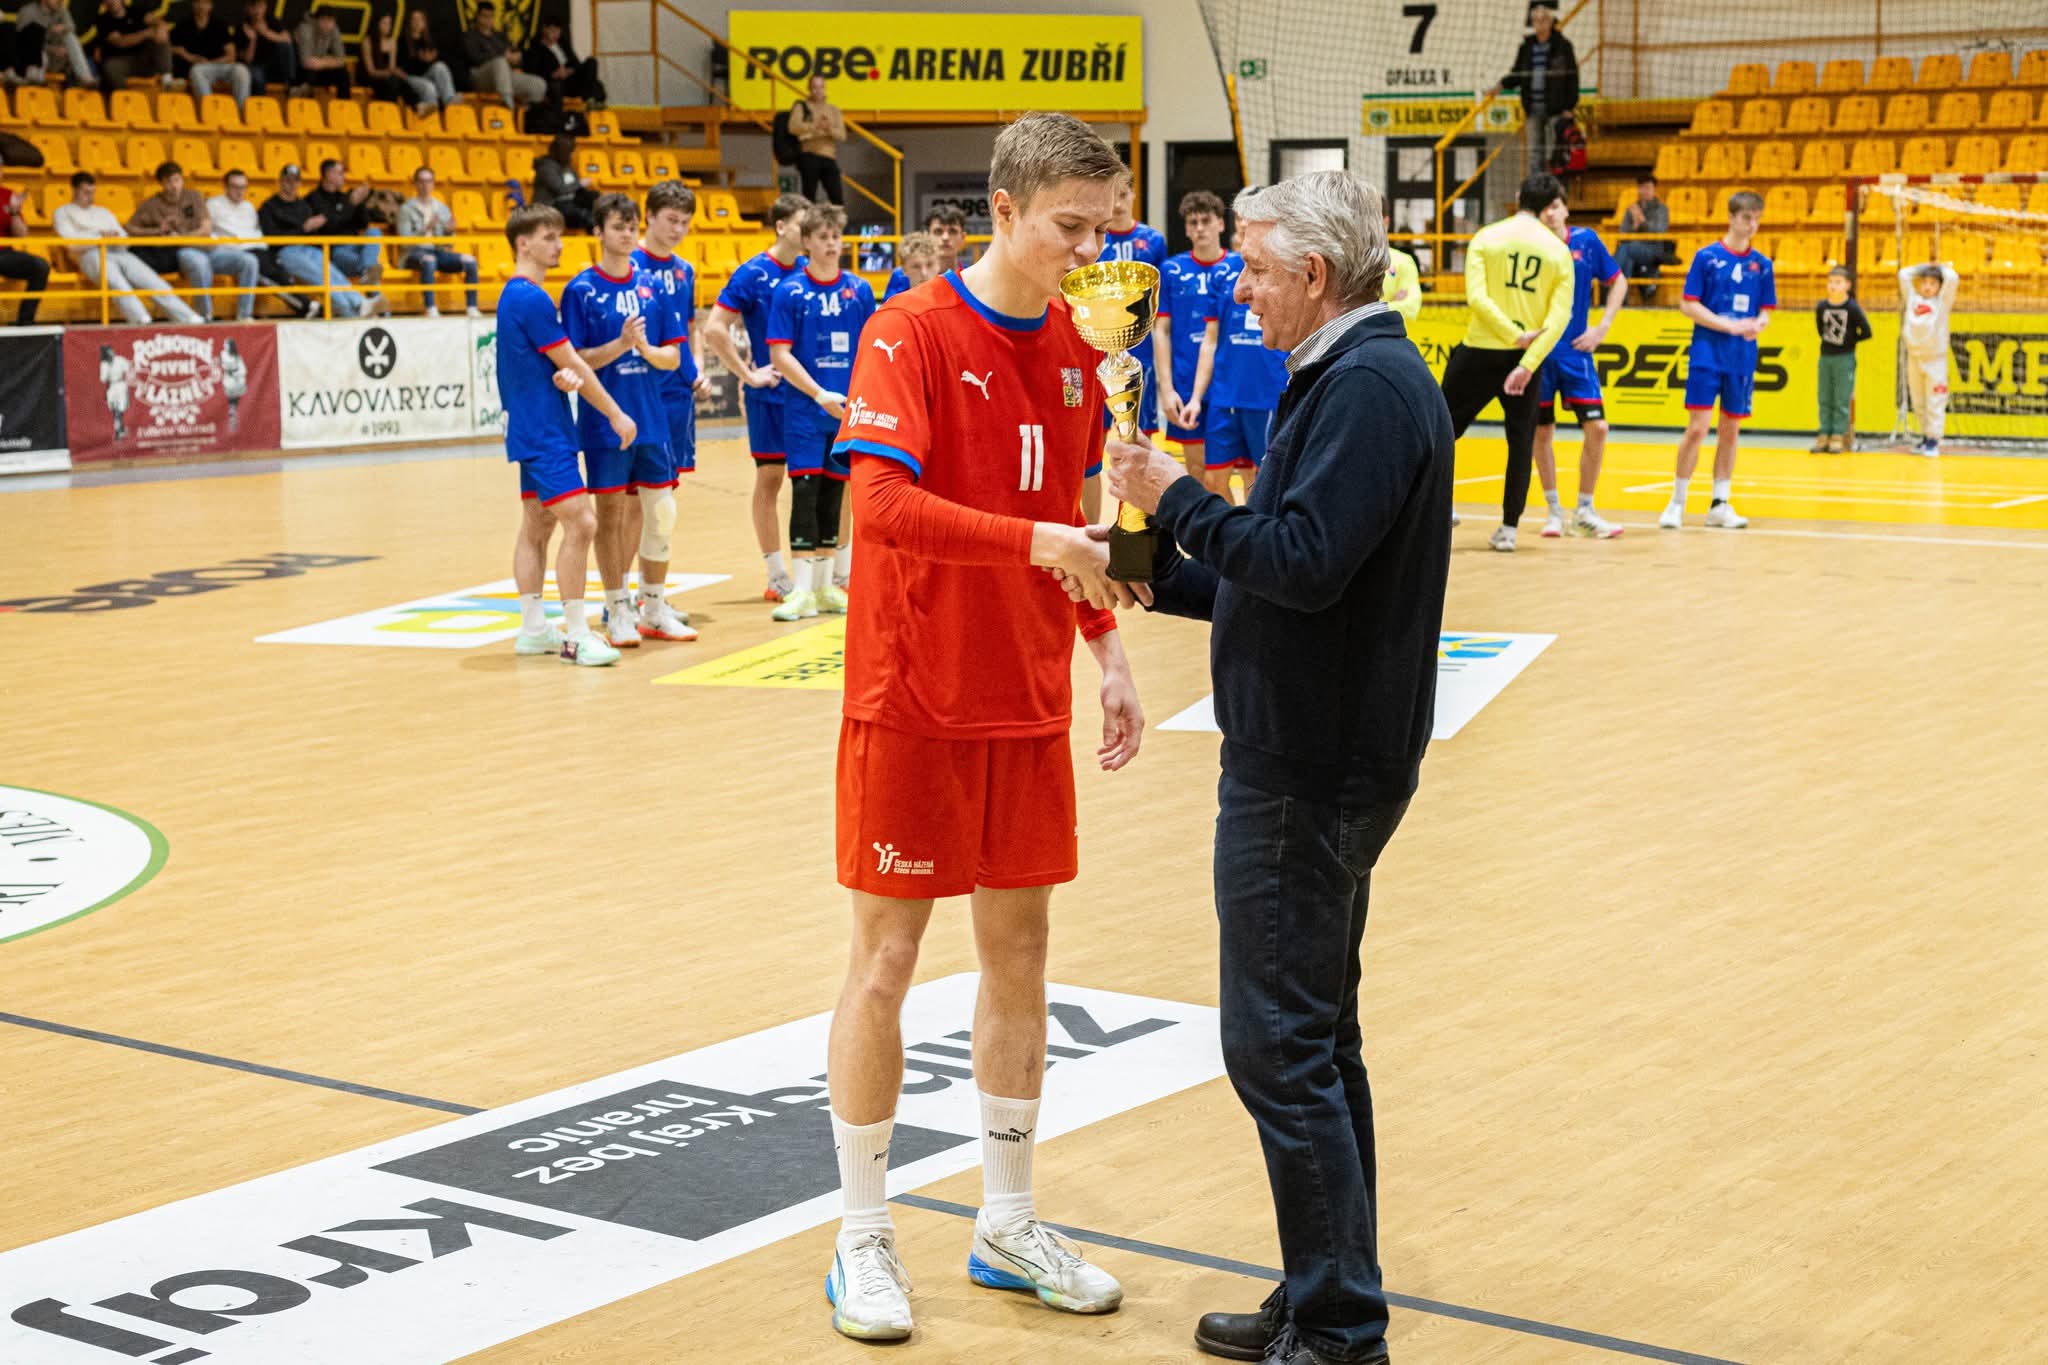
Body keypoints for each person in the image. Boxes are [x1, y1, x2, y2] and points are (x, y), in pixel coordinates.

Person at [1093, 168, 1450, 1365]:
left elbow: (1300, 562)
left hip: (1310, 764)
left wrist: (1176, 496)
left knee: (1276, 1047)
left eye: (1250, 269)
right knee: (1313, 1037)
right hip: (1310, 744)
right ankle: (1323, 1293)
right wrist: (1161, 572)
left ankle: (1341, 1328)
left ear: (1311, 274)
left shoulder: (1370, 387)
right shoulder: (1344, 376)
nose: (1234, 290)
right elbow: (1286, 579)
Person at [815, 109, 1142, 1347]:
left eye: (1100, 227)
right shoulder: (909, 331)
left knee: (1021, 962)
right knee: (884, 966)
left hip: (1023, 699)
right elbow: (882, 507)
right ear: (1001, 211)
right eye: (1068, 227)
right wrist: (1038, 543)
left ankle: (1005, 1223)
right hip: (909, 702)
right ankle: (861, 1237)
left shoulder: (1076, 346)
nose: (1086, 250)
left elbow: (1066, 510)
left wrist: (1103, 649)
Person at [496, 202, 636, 666]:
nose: (559, 245)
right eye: (550, 237)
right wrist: (616, 414)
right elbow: (572, 361)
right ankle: (576, 635)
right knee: (583, 522)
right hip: (544, 432)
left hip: (534, 425)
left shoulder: (516, 297)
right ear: (524, 243)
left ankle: (534, 628)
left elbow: (551, 368)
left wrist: (561, 380)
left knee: (537, 525)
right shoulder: (530, 298)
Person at [562, 192, 682, 653]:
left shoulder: (653, 285)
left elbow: (673, 354)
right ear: (599, 233)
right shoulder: (582, 290)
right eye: (618, 226)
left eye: (632, 226)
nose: (628, 233)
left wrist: (648, 351)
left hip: (652, 418)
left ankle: (654, 605)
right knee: (609, 514)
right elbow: (574, 359)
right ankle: (617, 607)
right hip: (604, 421)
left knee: (661, 512)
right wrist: (620, 345)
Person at [1437, 173, 1572, 551]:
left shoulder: (1487, 237)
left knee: (1441, 430)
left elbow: (1477, 299)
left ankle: (1438, 507)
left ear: (1518, 197)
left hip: (1479, 350)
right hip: (1524, 361)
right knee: (1520, 442)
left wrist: (1510, 331)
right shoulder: (1558, 250)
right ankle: (1510, 529)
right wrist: (1526, 361)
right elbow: (1559, 318)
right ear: (1549, 208)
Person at [765, 203, 873, 621]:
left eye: (836, 237)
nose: (831, 245)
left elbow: (869, 348)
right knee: (806, 492)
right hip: (806, 410)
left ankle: (826, 587)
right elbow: (780, 353)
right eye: (823, 237)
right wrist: (817, 393)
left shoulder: (859, 290)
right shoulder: (789, 291)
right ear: (806, 241)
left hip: (846, 410)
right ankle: (802, 589)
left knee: (834, 493)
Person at [705, 192, 809, 601]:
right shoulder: (753, 273)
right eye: (803, 225)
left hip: (807, 395)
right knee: (770, 478)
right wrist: (747, 374)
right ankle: (776, 572)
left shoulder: (808, 269)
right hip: (771, 396)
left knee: (818, 479)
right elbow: (715, 328)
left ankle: (822, 569)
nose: (809, 235)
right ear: (781, 226)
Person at [628, 178, 712, 643]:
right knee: (633, 505)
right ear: (650, 217)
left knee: (662, 503)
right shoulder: (631, 265)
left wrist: (695, 366)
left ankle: (649, 596)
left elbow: (691, 325)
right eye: (670, 220)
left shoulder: (682, 269)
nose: (678, 229)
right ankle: (625, 598)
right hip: (641, 396)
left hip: (676, 398)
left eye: (685, 222)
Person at [1660, 191, 1774, 530]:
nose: (1751, 224)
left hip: (1741, 356)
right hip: (1708, 352)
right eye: (1746, 218)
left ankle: (1719, 503)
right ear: (1732, 218)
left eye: (1756, 218)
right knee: (1697, 428)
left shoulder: (1762, 265)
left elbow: (1766, 308)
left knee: (1731, 429)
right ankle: (1676, 502)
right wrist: (1729, 325)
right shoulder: (1706, 257)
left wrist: (1759, 324)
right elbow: (1688, 304)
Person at [1529, 205, 1626, 539]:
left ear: (1565, 209)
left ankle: (1585, 510)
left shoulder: (1586, 241)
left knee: (1598, 427)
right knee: (1541, 432)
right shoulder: (1532, 245)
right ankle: (1554, 510)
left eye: (1555, 205)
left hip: (1576, 353)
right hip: (1539, 351)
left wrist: (1602, 327)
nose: (1550, 213)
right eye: (1545, 208)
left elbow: (1619, 282)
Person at [1203, 228, 1290, 502]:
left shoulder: (1282, 269)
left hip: (1265, 393)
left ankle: (1250, 537)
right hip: (1225, 391)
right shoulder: (1222, 273)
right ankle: (1231, 534)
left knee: (1260, 481)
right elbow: (1210, 338)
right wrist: (1196, 397)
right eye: (1240, 220)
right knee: (1213, 479)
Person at [54, 172, 202, 325]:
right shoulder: (62, 212)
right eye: (85, 192)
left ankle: (186, 316)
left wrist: (115, 238)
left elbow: (125, 238)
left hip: (117, 251)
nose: (90, 197)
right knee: (116, 281)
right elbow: (70, 242)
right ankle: (140, 318)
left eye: (92, 192)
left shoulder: (103, 212)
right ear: (74, 190)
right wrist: (99, 237)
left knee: (151, 279)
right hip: (88, 254)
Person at [1156, 189, 1231, 479]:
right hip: (1186, 381)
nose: (1199, 228)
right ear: (1186, 228)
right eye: (1192, 222)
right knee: (1197, 469)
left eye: (1206, 221)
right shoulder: (1172, 269)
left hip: (1227, 383)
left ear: (1221, 224)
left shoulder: (1237, 266)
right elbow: (1161, 331)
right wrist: (1167, 389)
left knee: (1232, 472)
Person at [128, 160, 260, 323]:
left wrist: (181, 239)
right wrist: (157, 231)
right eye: (168, 181)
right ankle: (205, 316)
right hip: (184, 251)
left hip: (205, 246)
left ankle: (244, 315)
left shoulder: (194, 196)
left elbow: (206, 228)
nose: (173, 185)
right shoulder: (151, 205)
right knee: (199, 263)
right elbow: (130, 229)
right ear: (161, 183)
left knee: (249, 261)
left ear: (182, 180)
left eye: (177, 180)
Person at [1096, 178, 1167, 446]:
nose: (1116, 204)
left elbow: (1160, 303)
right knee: (1096, 430)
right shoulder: (1094, 238)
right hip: (1100, 347)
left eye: (1123, 195)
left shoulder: (1153, 241)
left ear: (1134, 194)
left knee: (1139, 431)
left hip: (1141, 347)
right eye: (1111, 196)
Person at [259, 164, 368, 318]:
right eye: (287, 181)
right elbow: (272, 238)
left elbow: (315, 232)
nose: (291, 185)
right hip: (285, 252)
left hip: (308, 249)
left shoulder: (302, 205)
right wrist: (303, 229)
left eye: (295, 181)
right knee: (320, 275)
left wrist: (310, 230)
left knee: (332, 273)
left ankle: (359, 303)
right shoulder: (269, 207)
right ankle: (349, 309)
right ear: (281, 182)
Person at [1495, 1, 1579, 177]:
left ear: (1550, 21)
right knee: (1535, 153)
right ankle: (1537, 190)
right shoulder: (1526, 47)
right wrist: (1501, 85)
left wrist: (1569, 107)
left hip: (1557, 109)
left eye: (1544, 20)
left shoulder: (1563, 46)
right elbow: (1518, 73)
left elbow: (1572, 78)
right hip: (1533, 109)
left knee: (1559, 150)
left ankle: (1558, 191)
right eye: (1537, 20)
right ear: (1532, 23)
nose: (1540, 23)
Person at [397, 167, 480, 317]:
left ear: (433, 184)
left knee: (470, 261)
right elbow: (404, 242)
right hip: (413, 253)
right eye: (421, 181)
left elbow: (449, 244)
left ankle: (472, 307)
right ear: (415, 184)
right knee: (429, 260)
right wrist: (425, 229)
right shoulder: (406, 209)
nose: (425, 185)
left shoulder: (441, 208)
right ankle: (431, 308)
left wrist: (448, 232)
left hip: (438, 251)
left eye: (428, 181)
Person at [1898, 260, 1959, 457]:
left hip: (1935, 360)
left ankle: (1934, 440)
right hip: (1914, 357)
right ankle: (1925, 437)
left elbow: (1952, 278)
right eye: (1924, 282)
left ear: (1939, 287)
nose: (1927, 286)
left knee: (1935, 400)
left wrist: (1940, 267)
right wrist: (1924, 266)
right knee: (1918, 401)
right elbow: (1903, 274)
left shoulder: (1942, 303)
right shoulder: (1913, 299)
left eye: (1932, 283)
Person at [305, 159, 386, 306]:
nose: (345, 177)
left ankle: (366, 271)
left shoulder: (345, 197)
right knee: (372, 266)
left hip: (356, 245)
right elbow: (329, 228)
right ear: (329, 175)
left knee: (374, 232)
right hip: (335, 250)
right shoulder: (313, 199)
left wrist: (360, 203)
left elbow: (363, 224)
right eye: (341, 173)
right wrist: (350, 204)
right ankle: (377, 300)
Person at [1812, 265, 1872, 454]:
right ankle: (1824, 434)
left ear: (1847, 285)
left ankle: (1838, 435)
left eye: (1837, 282)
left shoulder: (1852, 308)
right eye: (1830, 282)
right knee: (1824, 396)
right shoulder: (1822, 307)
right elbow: (1820, 330)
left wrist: (1849, 341)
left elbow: (1867, 331)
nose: (1833, 286)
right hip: (1825, 357)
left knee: (1841, 398)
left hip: (1844, 357)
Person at [462, 2, 546, 110]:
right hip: (481, 76)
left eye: (491, 16)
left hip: (504, 76)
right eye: (485, 16)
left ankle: (526, 117)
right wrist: (503, 57)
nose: (488, 20)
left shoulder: (499, 36)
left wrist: (516, 58)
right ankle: (508, 108)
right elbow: (475, 58)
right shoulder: (469, 36)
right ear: (477, 17)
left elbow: (512, 55)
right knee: (500, 62)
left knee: (538, 84)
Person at [169, 0, 250, 108]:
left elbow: (231, 55)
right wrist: (189, 57)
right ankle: (209, 110)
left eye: (205, 3)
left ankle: (241, 113)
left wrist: (209, 62)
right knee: (196, 70)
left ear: (211, 6)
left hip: (220, 65)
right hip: (197, 68)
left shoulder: (220, 25)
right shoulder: (183, 25)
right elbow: (171, 48)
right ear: (193, 4)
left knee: (241, 70)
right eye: (198, 2)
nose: (201, 6)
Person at [0, 165, 52, 326]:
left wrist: (15, 212)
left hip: (4, 253)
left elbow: (21, 234)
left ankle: (25, 322)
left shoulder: (8, 195)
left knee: (40, 266)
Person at [788, 74, 847, 205]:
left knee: (837, 196)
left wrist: (828, 129)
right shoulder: (802, 107)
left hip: (829, 156)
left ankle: (838, 224)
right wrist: (815, 126)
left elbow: (842, 135)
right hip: (809, 155)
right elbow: (793, 127)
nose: (818, 90)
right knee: (809, 197)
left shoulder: (834, 110)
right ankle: (808, 224)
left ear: (825, 88)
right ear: (809, 88)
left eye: (821, 87)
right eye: (814, 87)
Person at [524, 16, 604, 108]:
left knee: (591, 61)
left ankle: (589, 99)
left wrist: (569, 70)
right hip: (556, 81)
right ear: (544, 29)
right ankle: (591, 99)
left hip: (571, 77)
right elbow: (533, 72)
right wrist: (553, 74)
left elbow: (575, 62)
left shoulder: (562, 42)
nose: (556, 35)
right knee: (593, 84)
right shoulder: (535, 48)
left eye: (558, 32)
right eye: (553, 31)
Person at [1613, 175, 1671, 302]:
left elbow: (1660, 233)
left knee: (1625, 249)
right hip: (1632, 249)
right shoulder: (1632, 209)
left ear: (1654, 189)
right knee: (1627, 258)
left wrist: (1643, 222)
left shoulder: (1662, 209)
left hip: (1654, 250)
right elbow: (1622, 234)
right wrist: (1634, 227)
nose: (1644, 191)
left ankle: (1611, 279)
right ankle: (1622, 301)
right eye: (1641, 187)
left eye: (1648, 187)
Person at [13, 0, 98, 85]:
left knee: (70, 36)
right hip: (33, 60)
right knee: (39, 49)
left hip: (56, 58)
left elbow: (72, 27)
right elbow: (22, 44)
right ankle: (35, 81)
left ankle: (85, 78)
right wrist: (51, 49)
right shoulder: (28, 12)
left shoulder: (60, 9)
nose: (60, 1)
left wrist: (64, 28)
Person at [93, 0, 171, 88]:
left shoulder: (136, 11)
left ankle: (167, 80)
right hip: (121, 61)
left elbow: (156, 21)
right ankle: (124, 97)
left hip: (144, 60)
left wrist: (160, 27)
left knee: (160, 34)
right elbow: (121, 42)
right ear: (103, 3)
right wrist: (146, 33)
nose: (111, 1)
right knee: (110, 67)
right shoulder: (103, 20)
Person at [397, 9, 459, 110]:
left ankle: (449, 101)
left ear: (424, 23)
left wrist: (430, 60)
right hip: (411, 77)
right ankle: (432, 117)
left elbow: (437, 61)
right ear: (409, 22)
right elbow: (403, 67)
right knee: (429, 87)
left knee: (440, 66)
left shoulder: (429, 40)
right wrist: (420, 59)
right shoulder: (402, 41)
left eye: (420, 20)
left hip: (426, 74)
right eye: (414, 20)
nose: (417, 23)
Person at [533, 134, 597, 229]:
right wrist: (579, 184)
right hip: (550, 206)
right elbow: (560, 189)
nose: (571, 155)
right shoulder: (546, 168)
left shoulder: (567, 166)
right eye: (569, 152)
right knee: (576, 213)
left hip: (568, 202)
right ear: (561, 152)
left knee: (593, 198)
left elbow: (575, 187)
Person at [357, 12, 414, 108]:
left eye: (389, 23)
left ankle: (415, 108)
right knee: (391, 82)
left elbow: (392, 67)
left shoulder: (392, 42)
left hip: (387, 77)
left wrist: (396, 72)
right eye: (384, 23)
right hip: (371, 77)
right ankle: (390, 110)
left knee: (404, 81)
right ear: (377, 24)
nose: (387, 27)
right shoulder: (367, 42)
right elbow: (371, 71)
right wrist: (389, 73)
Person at [238, 0, 295, 93]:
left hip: (272, 64)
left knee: (285, 47)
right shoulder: (242, 26)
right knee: (258, 77)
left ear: (265, 7)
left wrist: (265, 32)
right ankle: (261, 104)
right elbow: (248, 60)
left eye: (260, 6)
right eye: (254, 7)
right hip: (254, 65)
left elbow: (288, 39)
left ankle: (291, 83)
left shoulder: (271, 20)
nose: (257, 11)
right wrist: (253, 40)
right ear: (248, 8)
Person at [292, 6, 350, 95]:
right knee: (310, 73)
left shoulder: (334, 30)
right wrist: (328, 60)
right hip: (300, 69)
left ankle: (344, 106)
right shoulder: (305, 29)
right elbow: (306, 62)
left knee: (343, 73)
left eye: (330, 21)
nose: (327, 24)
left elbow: (341, 59)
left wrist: (323, 62)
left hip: (319, 66)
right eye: (323, 20)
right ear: (316, 20)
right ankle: (301, 95)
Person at [882, 230, 938, 301]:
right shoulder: (894, 303)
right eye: (916, 266)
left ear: (938, 265)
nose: (924, 273)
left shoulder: (951, 297)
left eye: (930, 265)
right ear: (904, 269)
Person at [1379, 244, 1421, 321]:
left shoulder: (1403, 260)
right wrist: (1391, 306)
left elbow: (1412, 308)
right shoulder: (1352, 259)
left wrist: (1365, 311)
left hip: (1392, 330)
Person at [100, 343, 131, 439]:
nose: (111, 353)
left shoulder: (120, 360)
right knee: (114, 409)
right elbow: (103, 379)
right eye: (108, 352)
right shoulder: (104, 364)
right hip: (112, 387)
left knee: (120, 409)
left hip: (120, 385)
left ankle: (119, 429)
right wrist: (108, 367)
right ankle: (119, 430)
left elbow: (128, 368)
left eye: (111, 350)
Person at [925, 206, 968, 272]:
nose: (945, 237)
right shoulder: (909, 278)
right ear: (927, 237)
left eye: (952, 231)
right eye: (938, 231)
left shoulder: (974, 278)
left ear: (963, 238)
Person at [221, 336, 246, 431]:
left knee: (234, 404)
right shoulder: (223, 355)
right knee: (230, 403)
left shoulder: (237, 357)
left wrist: (235, 373)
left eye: (226, 344)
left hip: (236, 383)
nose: (224, 346)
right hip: (227, 383)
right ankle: (231, 421)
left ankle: (234, 422)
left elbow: (243, 370)